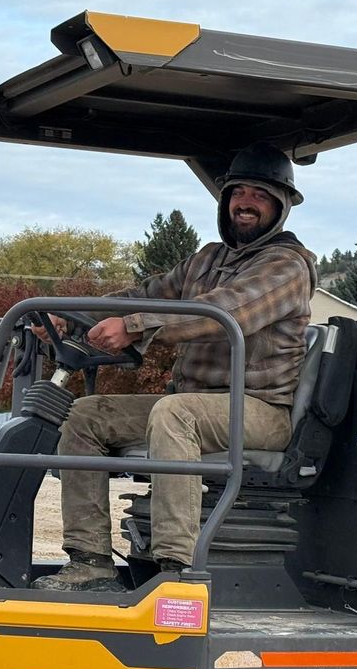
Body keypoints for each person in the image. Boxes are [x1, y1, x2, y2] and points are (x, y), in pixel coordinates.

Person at [33, 142, 317, 591]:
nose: (245, 202)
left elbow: (227, 312)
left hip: (259, 411)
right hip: (196, 405)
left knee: (175, 413)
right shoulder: (207, 258)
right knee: (85, 414)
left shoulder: (288, 266)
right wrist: (71, 315)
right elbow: (147, 294)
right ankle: (89, 563)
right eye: (237, 192)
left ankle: (176, 571)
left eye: (259, 195)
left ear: (280, 206)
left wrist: (133, 326)